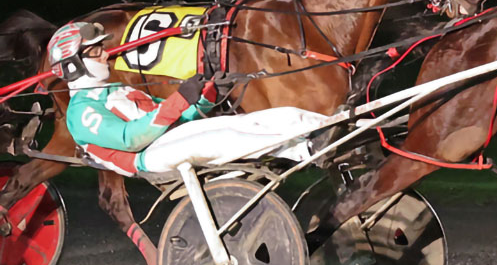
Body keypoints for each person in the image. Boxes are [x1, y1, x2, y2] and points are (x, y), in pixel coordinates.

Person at [47, 22, 329, 176]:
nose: (106, 54)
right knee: (224, 137)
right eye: (96, 52)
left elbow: (174, 119)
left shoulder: (114, 90)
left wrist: (206, 97)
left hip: (170, 138)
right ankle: (307, 150)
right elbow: (130, 139)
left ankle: (333, 126)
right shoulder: (81, 112)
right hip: (148, 158)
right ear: (73, 64)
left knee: (261, 118)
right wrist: (181, 98)